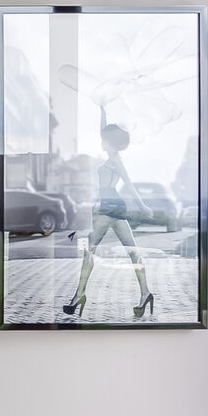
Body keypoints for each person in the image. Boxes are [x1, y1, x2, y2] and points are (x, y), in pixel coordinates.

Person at [64, 110, 153, 319]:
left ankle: (78, 296)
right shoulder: (112, 157)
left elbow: (129, 185)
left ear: (110, 141)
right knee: (133, 252)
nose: (101, 142)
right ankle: (146, 293)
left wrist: (142, 206)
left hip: (109, 208)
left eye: (105, 139)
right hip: (111, 207)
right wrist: (102, 109)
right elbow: (101, 132)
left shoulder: (116, 161)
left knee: (89, 252)